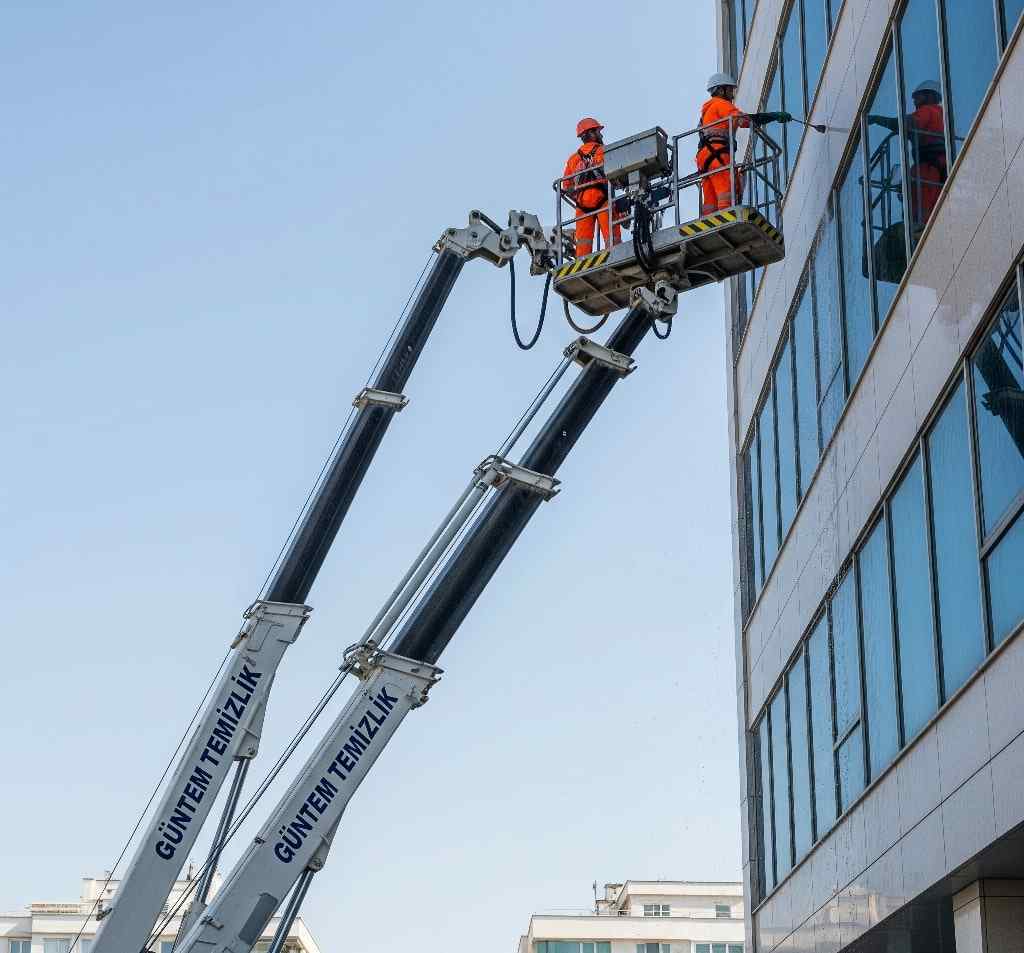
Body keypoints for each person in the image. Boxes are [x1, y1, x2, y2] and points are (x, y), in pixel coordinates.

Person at [697, 73, 791, 215]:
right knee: (726, 190)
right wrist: (772, 116)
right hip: (718, 152)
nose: (732, 95)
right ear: (721, 90)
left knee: (710, 195)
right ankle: (727, 215)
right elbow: (743, 121)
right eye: (729, 90)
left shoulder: (706, 112)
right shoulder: (721, 104)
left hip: (704, 157)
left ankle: (708, 219)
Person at [869, 80, 947, 231]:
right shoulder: (942, 114)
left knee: (919, 205)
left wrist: (880, 120)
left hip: (928, 167)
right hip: (940, 169)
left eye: (918, 97)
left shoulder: (929, 111)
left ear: (930, 96)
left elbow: (908, 123)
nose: (915, 101)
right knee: (934, 204)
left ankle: (918, 231)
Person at [562, 117, 621, 256]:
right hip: (603, 200)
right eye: (598, 131)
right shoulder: (604, 151)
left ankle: (582, 264)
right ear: (591, 133)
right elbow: (617, 177)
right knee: (612, 238)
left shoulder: (573, 159)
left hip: (582, 206)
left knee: (583, 242)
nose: (601, 134)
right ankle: (615, 257)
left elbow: (566, 187)